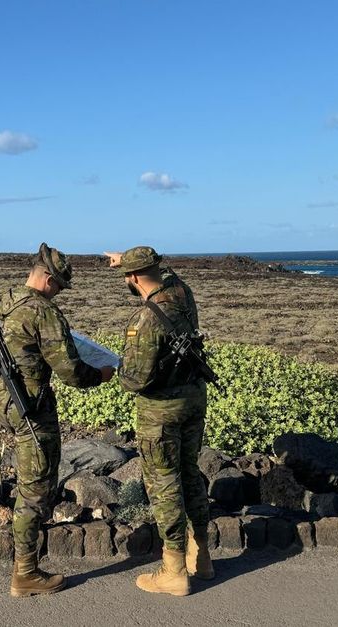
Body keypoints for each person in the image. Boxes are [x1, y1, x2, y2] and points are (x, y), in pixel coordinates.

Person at [0, 243, 114, 597]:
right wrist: (102, 374)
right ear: (46, 278)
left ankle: (25, 567)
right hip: (31, 406)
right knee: (36, 487)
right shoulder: (44, 312)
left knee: (29, 479)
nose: (58, 291)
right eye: (58, 285)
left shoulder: (6, 299)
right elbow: (72, 371)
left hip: (4, 400)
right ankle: (25, 574)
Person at [107, 246, 211, 597]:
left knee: (164, 483)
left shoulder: (144, 320)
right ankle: (203, 555)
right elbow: (166, 277)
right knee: (190, 471)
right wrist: (131, 261)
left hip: (161, 411)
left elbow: (134, 380)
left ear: (133, 278)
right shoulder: (183, 293)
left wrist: (116, 369)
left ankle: (174, 570)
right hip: (194, 397)